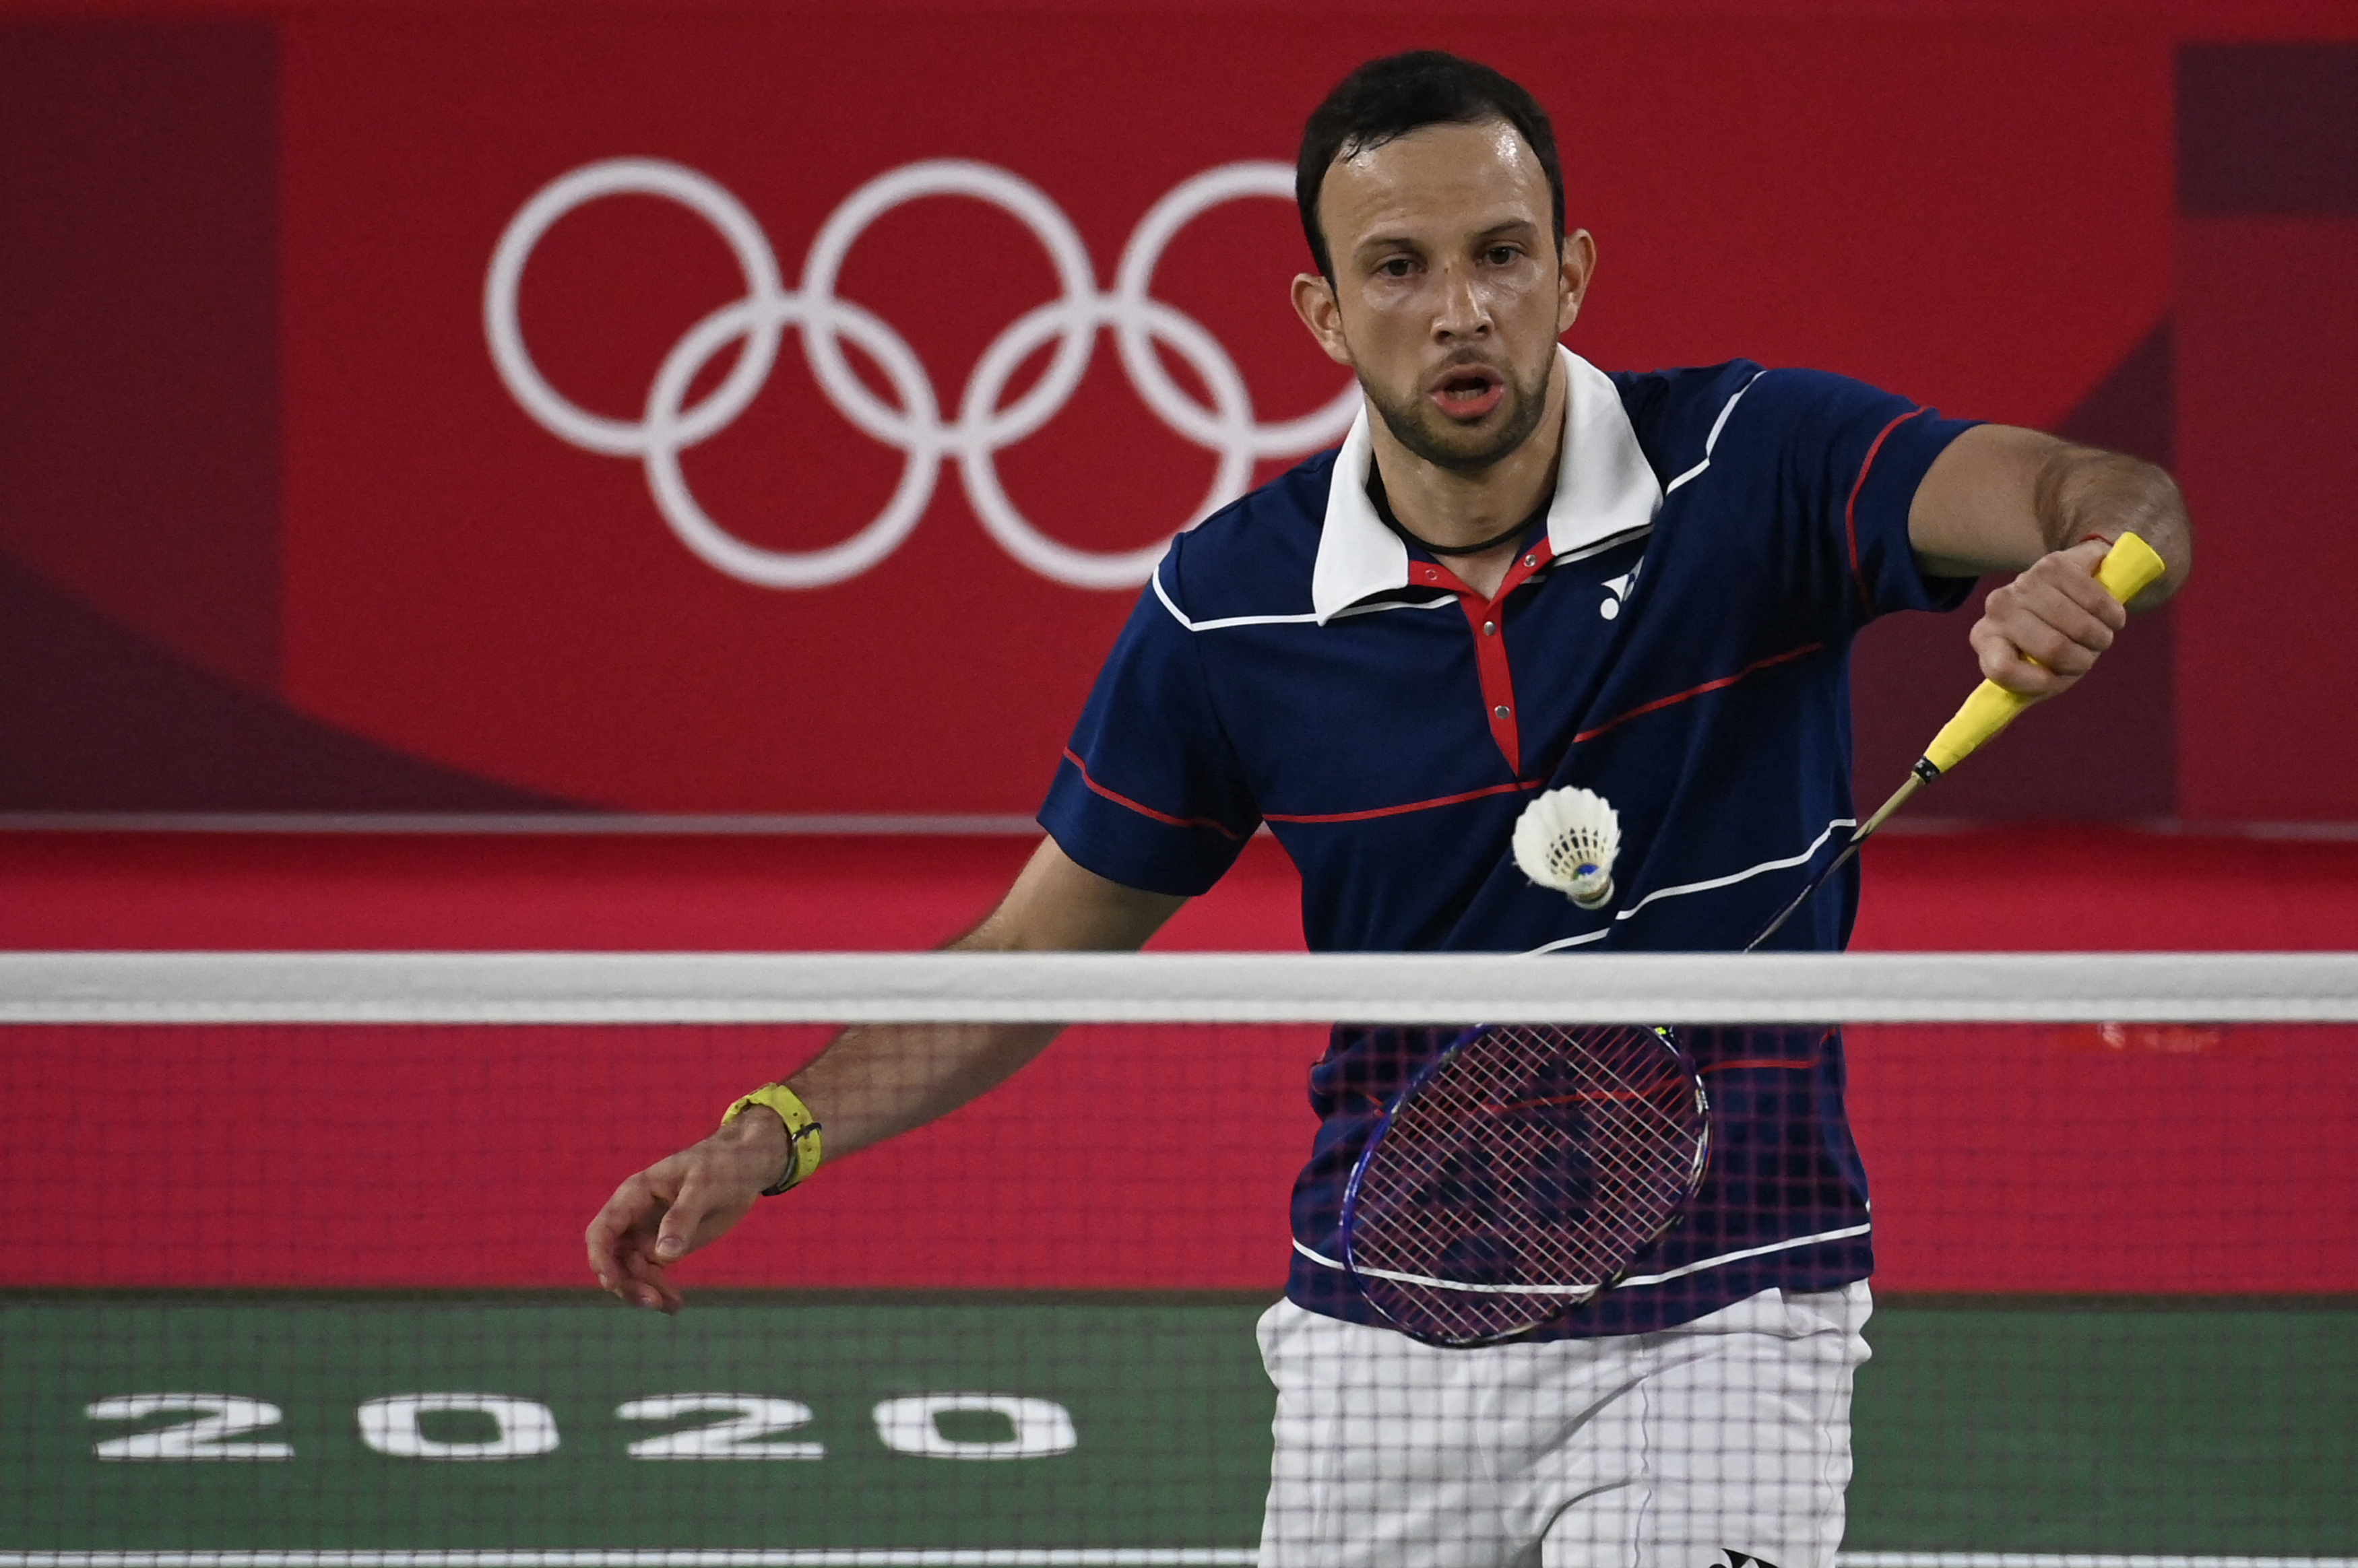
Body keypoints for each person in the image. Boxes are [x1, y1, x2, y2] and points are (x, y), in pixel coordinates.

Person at [587, 49, 2191, 1568]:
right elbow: (1033, 952)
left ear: (1571, 272)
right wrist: (771, 1134)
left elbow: (2104, 491)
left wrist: (2083, 560)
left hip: (1727, 1307)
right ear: (1324, 311)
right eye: (1400, 269)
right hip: (1384, 1334)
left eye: (1502, 256)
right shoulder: (1230, 612)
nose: (1460, 310)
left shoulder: (1757, 467)